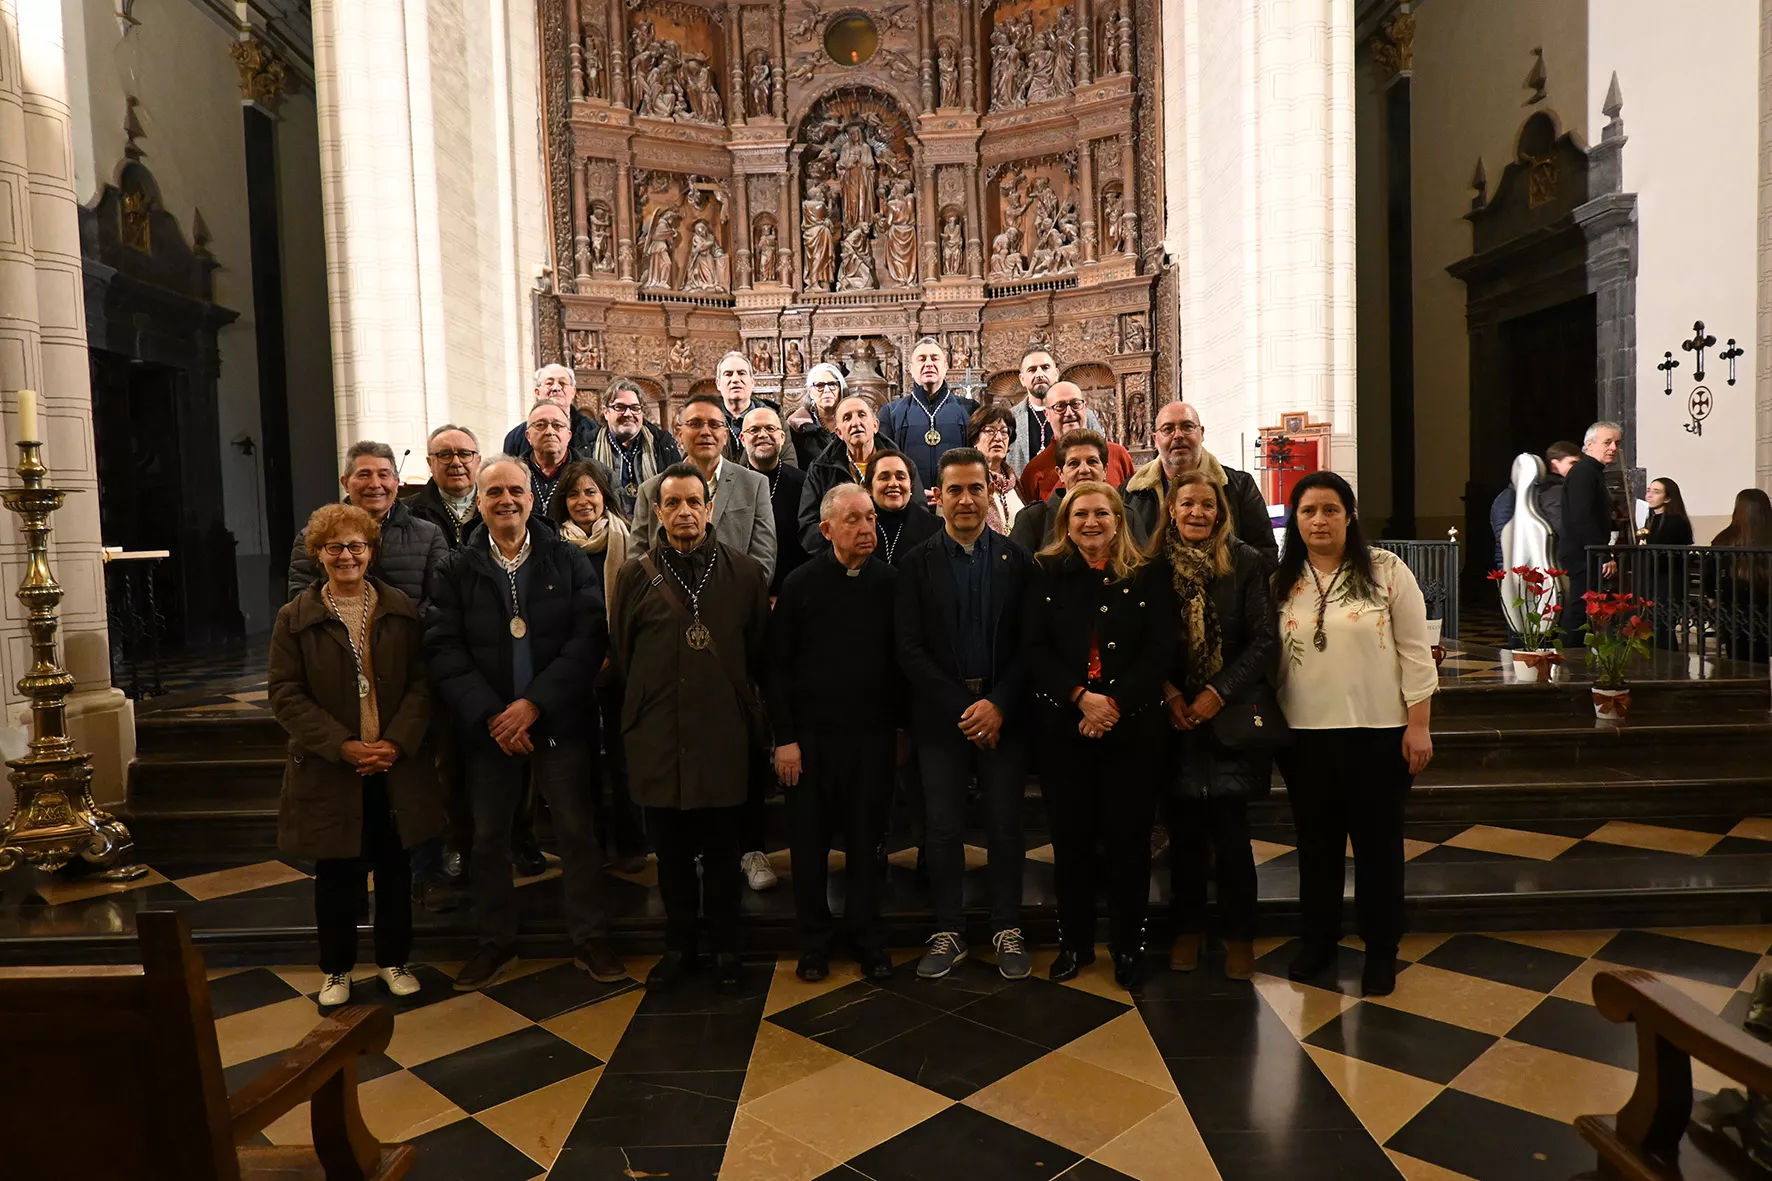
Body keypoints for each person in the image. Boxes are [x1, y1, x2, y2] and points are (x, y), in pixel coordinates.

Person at [424, 456, 622, 991]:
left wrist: (533, 705)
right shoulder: (457, 567)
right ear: (480, 503)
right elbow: (443, 648)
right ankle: (495, 942)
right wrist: (493, 713)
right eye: (495, 493)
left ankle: (590, 939)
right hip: (490, 729)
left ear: (533, 498)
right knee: (488, 838)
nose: (506, 500)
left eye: (516, 490)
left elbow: (588, 639)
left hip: (557, 719)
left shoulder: (566, 559)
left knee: (577, 834)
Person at [269, 504, 446, 1009]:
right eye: (335, 548)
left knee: (394, 868)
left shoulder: (399, 609)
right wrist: (341, 745)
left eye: (356, 546)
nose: (346, 556)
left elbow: (420, 683)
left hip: (394, 764)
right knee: (336, 875)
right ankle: (337, 969)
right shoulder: (295, 618)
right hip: (331, 768)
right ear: (318, 554)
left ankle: (394, 960)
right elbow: (284, 693)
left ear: (371, 551)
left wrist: (394, 742)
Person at [1273, 471, 1436, 998]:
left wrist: (1419, 726)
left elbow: (1415, 651)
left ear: (1349, 516)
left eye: (1330, 510)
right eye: (1307, 512)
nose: (1319, 521)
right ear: (1295, 521)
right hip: (1305, 735)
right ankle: (1318, 941)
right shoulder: (1281, 578)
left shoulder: (1387, 570)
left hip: (1379, 733)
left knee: (1379, 849)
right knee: (1315, 847)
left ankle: (1381, 950)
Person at [611, 462, 772, 993]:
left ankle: (727, 946)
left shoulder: (745, 574)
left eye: (693, 503)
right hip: (658, 734)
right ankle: (679, 946)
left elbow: (755, 656)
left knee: (724, 851)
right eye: (672, 503)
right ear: (657, 512)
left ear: (709, 508)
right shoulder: (634, 575)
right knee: (673, 855)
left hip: (722, 734)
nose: (683, 512)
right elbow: (624, 652)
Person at [1023, 482, 1174, 988]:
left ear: (1119, 520)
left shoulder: (1148, 573)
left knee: (1129, 842)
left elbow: (1160, 651)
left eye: (1102, 514)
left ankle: (1129, 945)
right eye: (1081, 514)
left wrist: (1111, 703)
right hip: (1064, 729)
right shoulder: (1045, 572)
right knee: (1071, 842)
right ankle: (1075, 943)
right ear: (1066, 521)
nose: (1091, 522)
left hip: (1131, 728)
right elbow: (1033, 649)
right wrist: (1077, 697)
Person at [897, 448, 1035, 980]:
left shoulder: (1018, 560)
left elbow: (1030, 645)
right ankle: (948, 929)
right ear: (938, 497)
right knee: (943, 828)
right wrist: (964, 708)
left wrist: (998, 703)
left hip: (1004, 714)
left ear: (989, 492)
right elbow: (909, 648)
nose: (965, 500)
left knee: (1004, 825)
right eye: (954, 490)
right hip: (942, 717)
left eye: (975, 489)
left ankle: (1007, 927)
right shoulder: (915, 563)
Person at [768, 485, 900, 982]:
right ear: (826, 530)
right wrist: (785, 738)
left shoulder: (890, 582)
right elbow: (777, 669)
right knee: (808, 849)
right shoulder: (801, 585)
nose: (867, 529)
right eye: (853, 521)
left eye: (870, 519)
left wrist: (900, 728)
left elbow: (900, 662)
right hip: (810, 744)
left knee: (868, 847)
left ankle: (869, 939)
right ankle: (814, 943)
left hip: (871, 739)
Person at [1150, 474, 1277, 981]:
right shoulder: (1152, 566)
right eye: (1187, 504)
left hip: (1230, 715)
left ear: (1221, 513)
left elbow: (1264, 639)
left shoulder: (1245, 562)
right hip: (1173, 718)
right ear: (1172, 511)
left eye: (1207, 505)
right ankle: (1188, 929)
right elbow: (1142, 640)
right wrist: (1171, 693)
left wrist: (1217, 691)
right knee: (1182, 834)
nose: (1198, 512)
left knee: (1231, 835)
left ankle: (1240, 935)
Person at [549, 460, 649, 875]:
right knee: (580, 759)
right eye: (573, 493)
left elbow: (638, 605)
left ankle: (631, 843)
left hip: (622, 663)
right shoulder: (552, 546)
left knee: (625, 758)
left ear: (604, 496)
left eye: (590, 492)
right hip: (570, 666)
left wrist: (613, 652)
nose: (582, 501)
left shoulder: (629, 541)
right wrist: (582, 657)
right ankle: (588, 845)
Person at [631, 392, 777, 583]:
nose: (705, 432)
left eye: (714, 425)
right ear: (679, 434)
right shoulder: (651, 489)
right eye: (695, 424)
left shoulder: (753, 484)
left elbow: (763, 558)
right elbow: (638, 560)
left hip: (734, 602)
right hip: (667, 604)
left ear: (725, 435)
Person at [287, 441, 449, 604]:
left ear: (396, 482)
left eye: (384, 475)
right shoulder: (313, 537)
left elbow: (440, 601)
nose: (375, 484)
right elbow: (301, 603)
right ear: (345, 483)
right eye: (364, 475)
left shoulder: (429, 536)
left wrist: (404, 627)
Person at [1124, 401, 1276, 563]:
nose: (1178, 435)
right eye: (1167, 429)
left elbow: (1265, 555)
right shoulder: (1130, 493)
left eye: (1187, 426)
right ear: (1155, 439)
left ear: (1201, 433)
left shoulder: (1239, 486)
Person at [798, 393, 923, 553]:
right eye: (847, 418)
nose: (855, 423)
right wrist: (843, 548)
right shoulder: (821, 468)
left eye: (862, 415)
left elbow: (920, 517)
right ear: (839, 433)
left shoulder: (901, 465)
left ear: (876, 425)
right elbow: (809, 528)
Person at [879, 337, 980, 495]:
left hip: (958, 499)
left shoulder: (969, 409)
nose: (928, 364)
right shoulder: (891, 413)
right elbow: (885, 464)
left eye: (934, 358)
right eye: (922, 359)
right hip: (909, 503)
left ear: (945, 366)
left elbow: (979, 462)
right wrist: (914, 494)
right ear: (911, 369)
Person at [1017, 382, 1136, 504]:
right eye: (1060, 406)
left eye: (1075, 404)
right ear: (1047, 414)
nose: (1069, 412)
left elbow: (1133, 507)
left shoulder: (1118, 454)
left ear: (1085, 407)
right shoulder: (1034, 470)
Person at [1557, 421, 1622, 637]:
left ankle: (1574, 659)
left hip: (1587, 551)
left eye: (1617, 443)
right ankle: (1569, 661)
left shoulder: (1592, 472)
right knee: (1580, 610)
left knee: (1585, 610)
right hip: (1584, 553)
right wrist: (1603, 554)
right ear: (1589, 443)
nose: (1614, 448)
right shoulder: (1584, 472)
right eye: (1608, 442)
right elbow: (1583, 517)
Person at [740, 404, 810, 594]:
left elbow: (807, 544)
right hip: (743, 591)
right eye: (754, 429)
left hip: (793, 591)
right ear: (743, 438)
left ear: (782, 437)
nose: (763, 434)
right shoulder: (732, 483)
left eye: (770, 428)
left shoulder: (802, 482)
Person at [591, 377, 681, 520]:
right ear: (606, 412)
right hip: (605, 530)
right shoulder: (588, 447)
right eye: (620, 407)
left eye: (635, 408)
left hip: (655, 528)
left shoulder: (664, 446)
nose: (628, 414)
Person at [1004, 347, 1102, 474]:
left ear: (1056, 373)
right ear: (1022, 379)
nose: (1039, 374)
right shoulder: (1010, 419)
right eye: (1032, 370)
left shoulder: (1084, 414)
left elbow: (1102, 450)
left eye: (1045, 367)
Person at [1011, 429, 1110, 553]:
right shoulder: (1033, 519)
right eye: (1074, 463)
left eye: (1092, 461)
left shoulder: (1127, 516)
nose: (1084, 469)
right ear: (1060, 473)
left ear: (1105, 470)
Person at [1709, 489, 1772, 663]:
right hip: (1766, 605)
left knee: (1738, 658)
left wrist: (1712, 595)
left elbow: (1711, 572)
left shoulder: (1725, 538)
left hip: (1735, 606)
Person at [715, 350, 798, 468]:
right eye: (728, 374)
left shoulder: (774, 420)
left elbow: (789, 468)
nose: (735, 379)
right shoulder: (705, 421)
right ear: (718, 383)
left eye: (741, 373)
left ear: (752, 382)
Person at [501, 363, 600, 457]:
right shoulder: (516, 437)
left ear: (573, 392)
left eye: (562, 383)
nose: (556, 388)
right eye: (549, 383)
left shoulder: (593, 431)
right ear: (537, 392)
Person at [410, 425, 484, 549]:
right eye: (445, 455)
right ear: (430, 463)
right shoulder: (409, 511)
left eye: (464, 454)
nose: (456, 462)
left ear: (478, 461)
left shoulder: (497, 506)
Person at [867, 449, 941, 565]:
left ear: (911, 485)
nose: (893, 484)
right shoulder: (856, 526)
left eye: (901, 477)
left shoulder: (935, 528)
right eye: (884, 477)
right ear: (869, 488)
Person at [523, 400, 589, 518]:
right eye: (540, 425)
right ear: (528, 436)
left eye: (557, 425)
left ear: (569, 435)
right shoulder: (514, 473)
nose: (549, 432)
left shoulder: (593, 472)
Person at [968, 404, 1025, 535]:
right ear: (975, 438)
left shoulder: (1016, 484)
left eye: (1004, 431)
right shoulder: (967, 481)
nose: (999, 438)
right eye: (990, 431)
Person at [789, 362, 846, 462]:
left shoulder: (852, 419)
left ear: (840, 388)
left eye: (832, 384)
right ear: (810, 392)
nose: (827, 390)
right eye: (820, 385)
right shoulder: (797, 425)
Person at [1644, 477, 1693, 546]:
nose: (1649, 496)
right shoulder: (1649, 519)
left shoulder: (1677, 521)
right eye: (1648, 491)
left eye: (1656, 492)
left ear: (1667, 498)